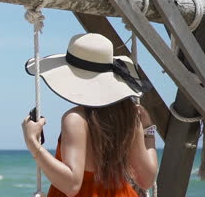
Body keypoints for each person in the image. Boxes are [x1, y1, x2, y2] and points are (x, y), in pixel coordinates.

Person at [22, 33, 158, 197]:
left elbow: (72, 185)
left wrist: (33, 144)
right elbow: (146, 180)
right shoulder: (129, 115)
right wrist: (148, 130)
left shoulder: (76, 119)